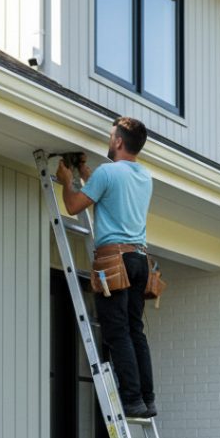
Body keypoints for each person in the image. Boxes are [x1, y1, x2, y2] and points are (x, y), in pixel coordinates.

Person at [54, 116, 157, 418]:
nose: (109, 139)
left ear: (118, 142)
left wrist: (66, 180)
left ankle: (132, 399)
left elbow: (73, 206)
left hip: (113, 261)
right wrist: (86, 171)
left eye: (111, 135)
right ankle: (146, 399)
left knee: (117, 332)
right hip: (139, 260)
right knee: (135, 330)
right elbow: (107, 190)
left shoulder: (107, 174)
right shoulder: (144, 176)